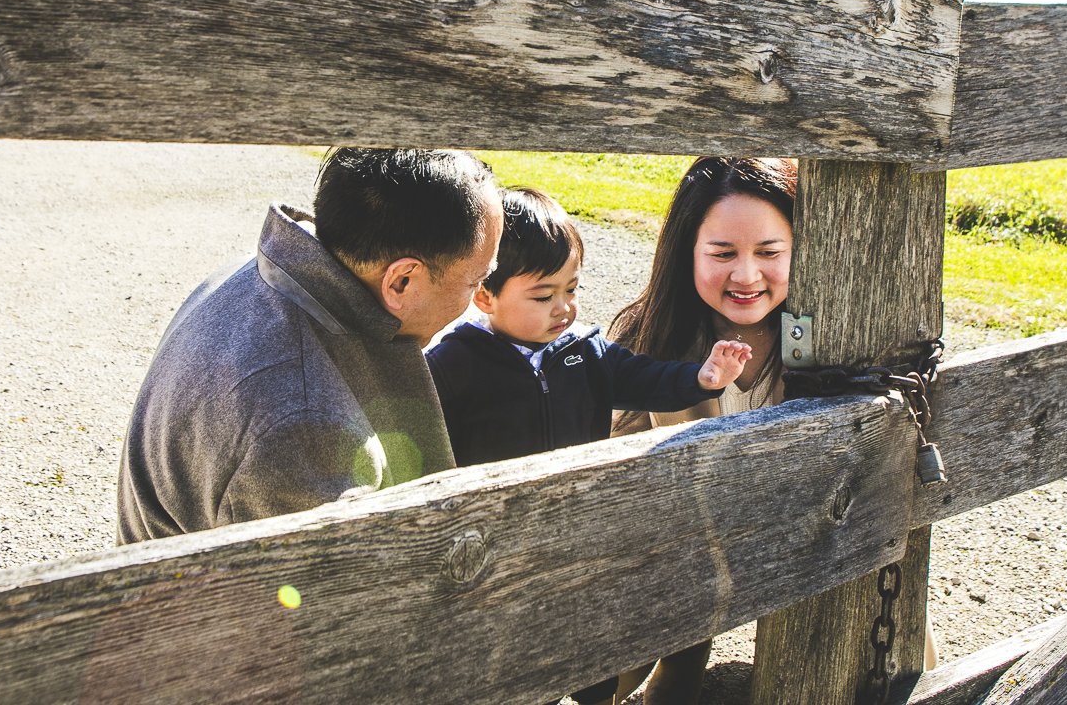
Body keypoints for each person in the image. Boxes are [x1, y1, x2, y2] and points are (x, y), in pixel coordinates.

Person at [425, 186, 751, 705]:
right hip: (496, 541)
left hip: (579, 528)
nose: (564, 308)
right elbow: (430, 445)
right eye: (542, 295)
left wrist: (704, 378)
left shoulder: (585, 354)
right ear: (484, 294)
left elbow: (646, 377)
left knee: (591, 642)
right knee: (505, 657)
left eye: (571, 289)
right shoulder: (454, 365)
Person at [116, 148, 503, 544]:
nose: (477, 299)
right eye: (475, 281)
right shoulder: (302, 429)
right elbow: (326, 594)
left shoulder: (261, 271)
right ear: (401, 280)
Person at [607, 157, 800, 705]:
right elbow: (626, 471)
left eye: (768, 253)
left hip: (801, 529)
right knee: (611, 654)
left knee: (883, 646)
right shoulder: (655, 333)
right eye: (722, 254)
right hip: (686, 544)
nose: (746, 275)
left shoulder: (828, 334)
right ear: (686, 252)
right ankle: (673, 666)